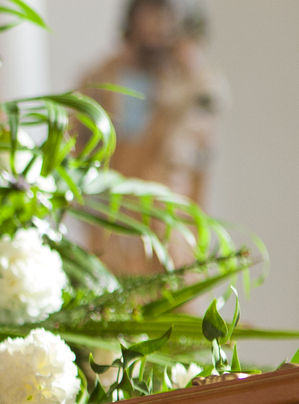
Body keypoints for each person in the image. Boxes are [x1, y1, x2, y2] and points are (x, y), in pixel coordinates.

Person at [78, 0, 227, 276]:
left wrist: (190, 68)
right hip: (113, 208)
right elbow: (78, 138)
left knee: (174, 286)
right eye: (151, 13)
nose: (159, 25)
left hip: (167, 208)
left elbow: (206, 121)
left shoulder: (189, 80)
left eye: (167, 16)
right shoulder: (102, 76)